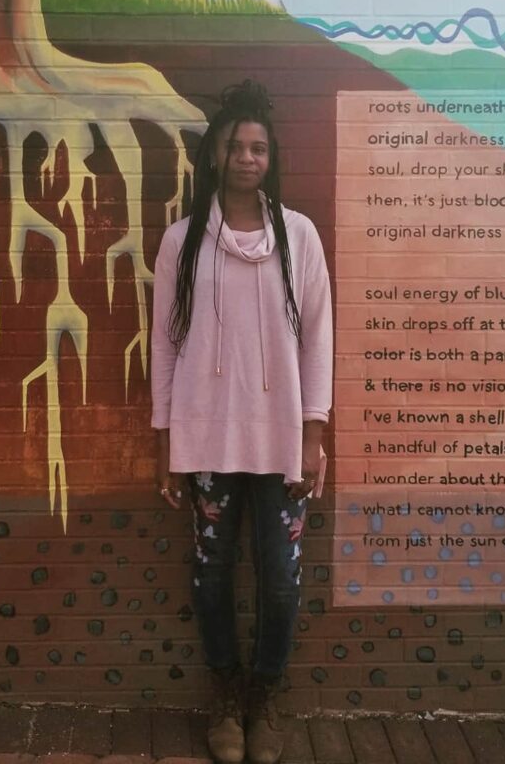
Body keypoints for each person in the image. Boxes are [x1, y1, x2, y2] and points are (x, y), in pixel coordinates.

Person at [150, 80, 333, 764]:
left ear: (271, 156)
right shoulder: (182, 242)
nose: (247, 157)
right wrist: (166, 439)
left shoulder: (301, 237)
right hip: (205, 437)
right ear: (215, 156)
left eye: (258, 147)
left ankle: (265, 697)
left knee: (282, 580)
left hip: (282, 436)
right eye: (235, 146)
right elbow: (165, 341)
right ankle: (225, 696)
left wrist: (314, 432)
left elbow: (319, 336)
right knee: (211, 571)